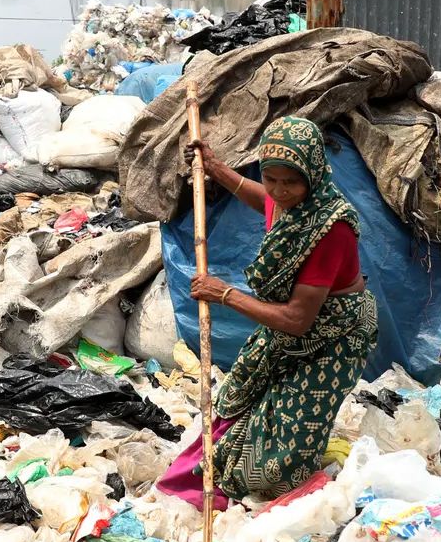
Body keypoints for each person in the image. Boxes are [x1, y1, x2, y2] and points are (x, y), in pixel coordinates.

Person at [157, 116, 378, 507]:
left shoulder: (329, 230)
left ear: (312, 173)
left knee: (279, 467)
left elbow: (296, 321)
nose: (280, 190)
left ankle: (280, 468)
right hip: (296, 325)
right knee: (248, 397)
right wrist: (216, 169)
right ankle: (220, 464)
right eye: (271, 177)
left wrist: (225, 294)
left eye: (290, 181)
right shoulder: (292, 204)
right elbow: (268, 201)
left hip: (334, 337)